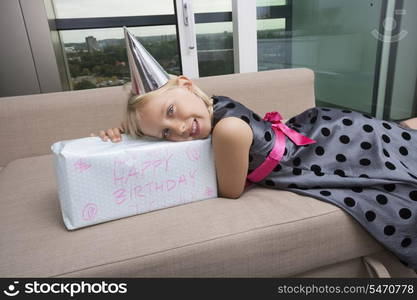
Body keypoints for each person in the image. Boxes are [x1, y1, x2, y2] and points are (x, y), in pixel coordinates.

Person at [91, 27, 417, 272]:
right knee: (394, 137)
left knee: (392, 167)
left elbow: (229, 191)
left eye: (172, 111)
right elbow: (171, 127)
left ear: (188, 85)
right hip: (320, 128)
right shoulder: (209, 104)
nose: (177, 129)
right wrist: (127, 135)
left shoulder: (228, 130)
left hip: (324, 148)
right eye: (164, 132)